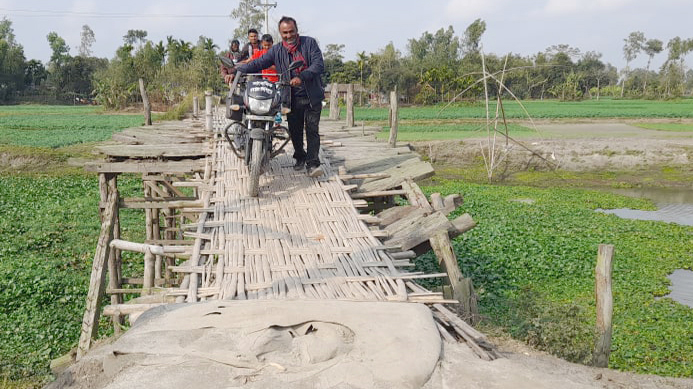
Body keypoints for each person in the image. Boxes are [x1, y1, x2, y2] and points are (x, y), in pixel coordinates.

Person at [232, 16, 325, 178]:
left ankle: (313, 164)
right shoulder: (276, 50)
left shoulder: (309, 43)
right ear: (280, 33)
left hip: (311, 95)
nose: (288, 36)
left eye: (291, 32)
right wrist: (237, 71)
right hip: (290, 96)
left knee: (311, 129)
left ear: (297, 31)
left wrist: (302, 76)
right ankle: (300, 156)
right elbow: (259, 63)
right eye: (285, 33)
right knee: (295, 131)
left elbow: (318, 65)